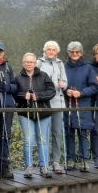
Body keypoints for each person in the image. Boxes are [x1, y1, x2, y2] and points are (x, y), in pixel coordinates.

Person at [14, 53, 56, 178]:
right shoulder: (18, 78)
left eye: (31, 62)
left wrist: (38, 96)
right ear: (23, 63)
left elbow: (52, 91)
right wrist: (23, 96)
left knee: (43, 141)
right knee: (28, 141)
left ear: (35, 63)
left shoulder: (43, 76)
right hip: (25, 113)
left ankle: (44, 167)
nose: (29, 64)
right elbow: (14, 94)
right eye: (26, 62)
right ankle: (28, 167)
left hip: (42, 112)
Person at [63, 42, 98, 172]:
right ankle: (70, 160)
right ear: (69, 53)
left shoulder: (88, 67)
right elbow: (60, 84)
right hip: (68, 105)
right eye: (72, 51)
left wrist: (81, 93)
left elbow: (94, 87)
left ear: (81, 53)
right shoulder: (64, 67)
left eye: (77, 52)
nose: (75, 54)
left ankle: (84, 160)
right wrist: (66, 90)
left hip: (83, 105)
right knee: (69, 133)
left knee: (83, 134)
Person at [37, 41, 68, 174]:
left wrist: (63, 85)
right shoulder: (39, 63)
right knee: (43, 135)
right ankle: (44, 163)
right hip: (44, 103)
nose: (51, 52)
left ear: (57, 51)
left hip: (58, 103)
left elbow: (65, 81)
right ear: (44, 50)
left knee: (57, 133)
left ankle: (56, 162)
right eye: (48, 49)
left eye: (53, 50)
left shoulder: (60, 63)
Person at [0, 41, 17, 179]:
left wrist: (8, 88)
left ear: (4, 52)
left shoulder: (8, 67)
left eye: (0, 51)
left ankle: (4, 167)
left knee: (5, 136)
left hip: (7, 105)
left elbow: (15, 86)